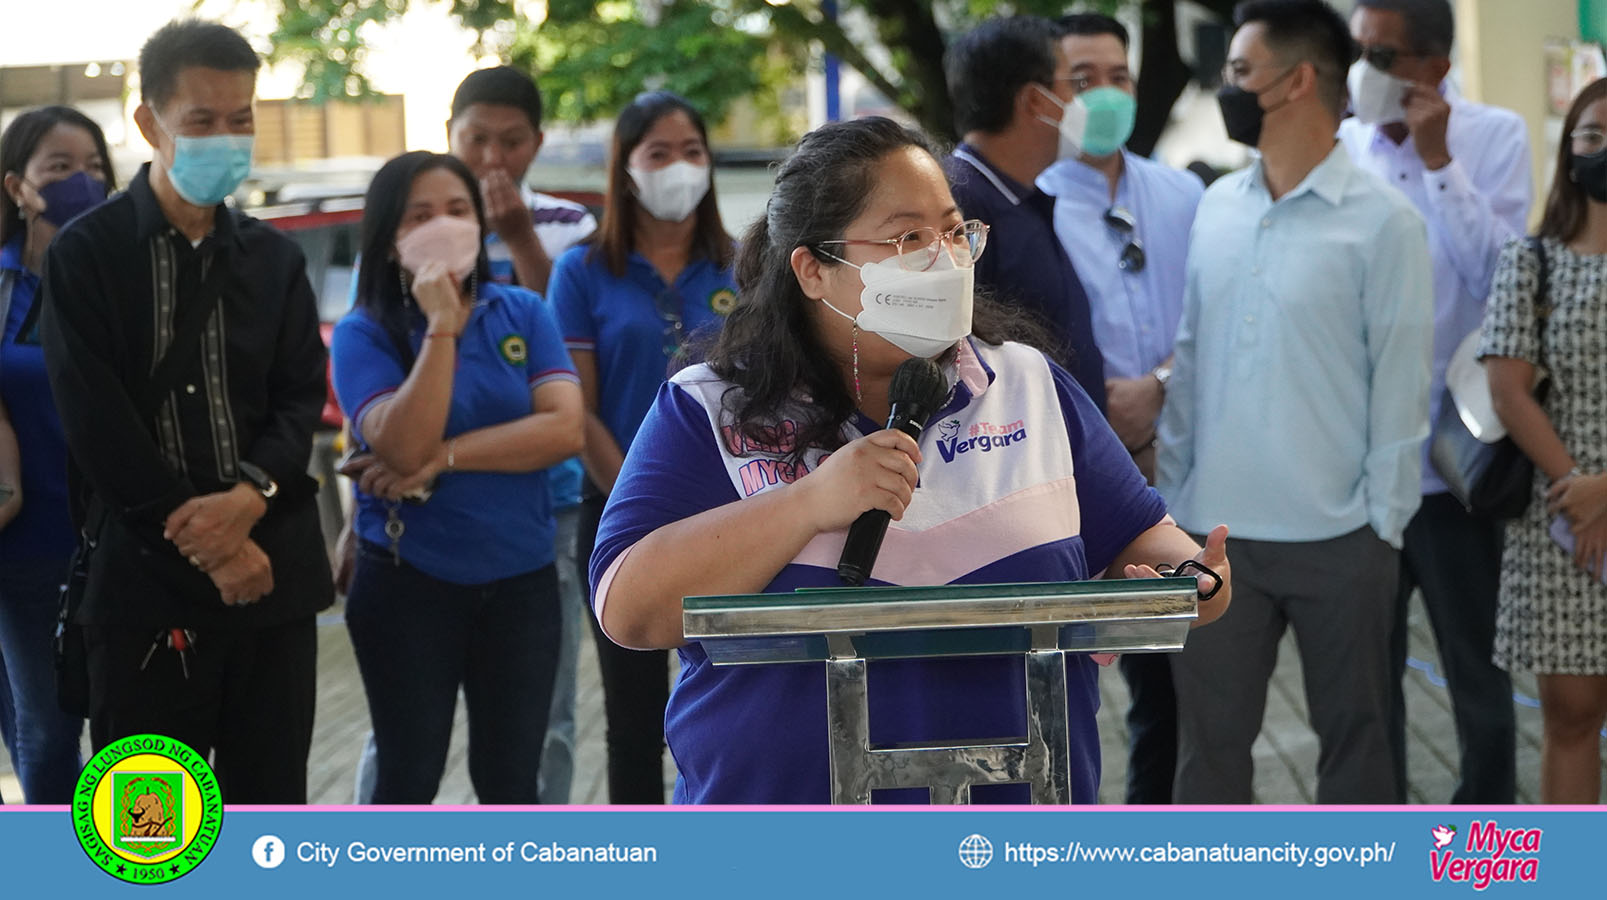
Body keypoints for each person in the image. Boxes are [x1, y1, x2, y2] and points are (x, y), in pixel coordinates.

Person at [588, 115, 1232, 805]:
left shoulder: (1029, 386)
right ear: (812, 269)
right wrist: (806, 504)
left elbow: (1145, 540)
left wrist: (1187, 575)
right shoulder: (709, 408)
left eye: (955, 232)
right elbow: (628, 609)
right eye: (907, 238)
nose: (944, 257)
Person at [38, 20, 333, 802]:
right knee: (148, 829)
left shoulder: (272, 258)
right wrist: (211, 544)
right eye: (202, 121)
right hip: (142, 590)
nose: (226, 138)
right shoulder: (86, 254)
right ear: (149, 123)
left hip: (272, 580)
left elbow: (301, 393)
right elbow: (94, 417)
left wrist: (249, 497)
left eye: (241, 118)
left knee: (270, 813)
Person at [1156, 0, 1433, 804]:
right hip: (1215, 537)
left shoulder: (1383, 223)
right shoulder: (1215, 206)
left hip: (1340, 538)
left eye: (1240, 72)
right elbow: (1192, 359)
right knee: (1207, 757)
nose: (1227, 88)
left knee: (1358, 751)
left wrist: (1379, 527)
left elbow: (1399, 386)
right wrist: (1172, 509)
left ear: (1299, 80)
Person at [347, 65, 597, 805]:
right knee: (407, 772)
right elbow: (395, 446)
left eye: (457, 210)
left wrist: (444, 458)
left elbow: (563, 427)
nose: (444, 225)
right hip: (407, 577)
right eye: (420, 215)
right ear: (389, 236)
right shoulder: (367, 330)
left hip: (520, 577)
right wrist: (442, 330)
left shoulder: (522, 309)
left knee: (511, 778)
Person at [1338, 0, 1528, 805]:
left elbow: (1501, 280)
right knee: (1366, 687)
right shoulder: (1341, 144)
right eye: (1358, 52)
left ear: (1434, 68)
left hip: (1453, 466)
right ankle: (1383, 839)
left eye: (1382, 56)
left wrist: (1439, 161)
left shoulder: (1495, 137)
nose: (1362, 73)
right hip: (1360, 464)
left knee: (1477, 684)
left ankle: (1483, 844)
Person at [1037, 13, 1205, 805]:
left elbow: (1209, 317)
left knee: (1176, 692)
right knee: (1081, 682)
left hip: (1184, 466)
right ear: (1045, 96)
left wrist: (1161, 383)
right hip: (1079, 478)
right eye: (1082, 80)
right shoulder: (1029, 208)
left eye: (1118, 76)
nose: (1104, 94)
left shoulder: (1182, 193)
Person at [550, 90, 736, 804]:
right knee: (632, 724)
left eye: (692, 151)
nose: (679, 167)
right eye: (658, 152)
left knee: (725, 707)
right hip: (617, 519)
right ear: (625, 168)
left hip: (731, 522)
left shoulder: (739, 264)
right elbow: (578, 409)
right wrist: (639, 501)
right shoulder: (582, 271)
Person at [1481, 77, 1607, 805]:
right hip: (1560, 526)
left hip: (1588, 503)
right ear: (1567, 152)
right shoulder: (1529, 261)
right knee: (1570, 717)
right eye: (1589, 134)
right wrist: (1578, 492)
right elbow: (1507, 388)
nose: (1600, 148)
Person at [0, 105, 114, 804]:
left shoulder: (116, 280)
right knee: (45, 731)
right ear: (18, 185)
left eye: (95, 167)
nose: (82, 182)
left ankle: (136, 859)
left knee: (126, 728)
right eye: (61, 168)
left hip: (118, 539)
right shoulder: (4, 285)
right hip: (22, 544)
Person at [941, 16, 1107, 411]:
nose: (1081, 103)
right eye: (1075, 85)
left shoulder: (1015, 195)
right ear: (1035, 100)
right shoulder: (957, 207)